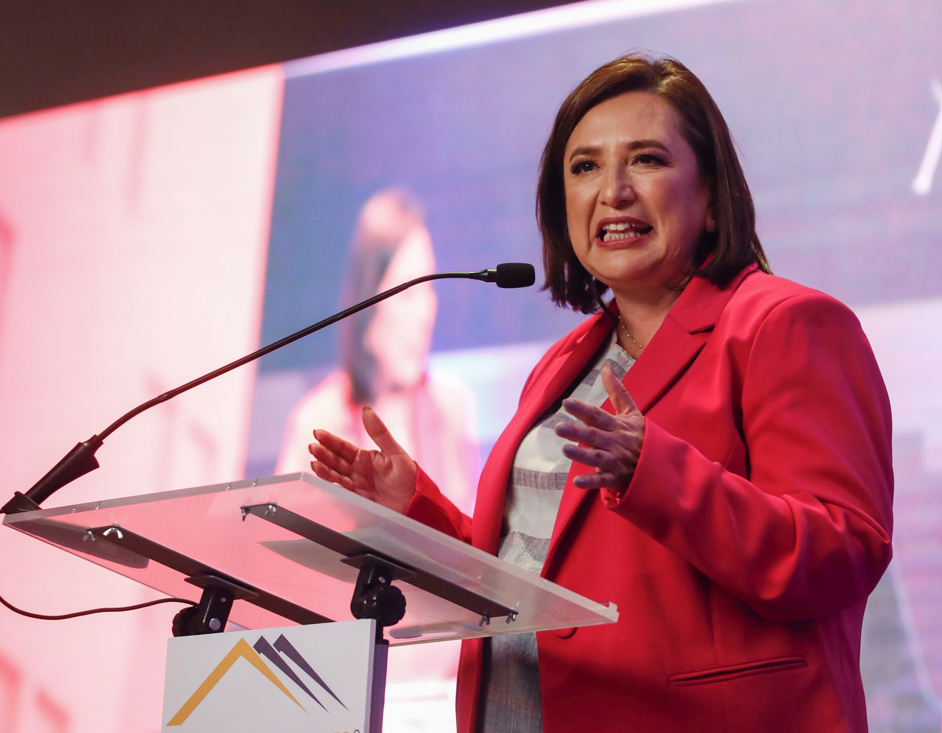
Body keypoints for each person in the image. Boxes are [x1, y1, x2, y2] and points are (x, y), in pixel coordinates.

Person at [309, 55, 894, 733]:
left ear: (709, 197)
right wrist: (416, 512)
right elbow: (538, 572)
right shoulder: (563, 362)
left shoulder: (786, 325)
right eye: (584, 167)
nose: (612, 190)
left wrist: (658, 472)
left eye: (645, 159)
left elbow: (841, 550)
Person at [276, 189, 478, 516]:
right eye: (409, 292)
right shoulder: (317, 420)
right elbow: (283, 545)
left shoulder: (450, 409)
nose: (425, 311)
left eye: (430, 288)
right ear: (367, 303)